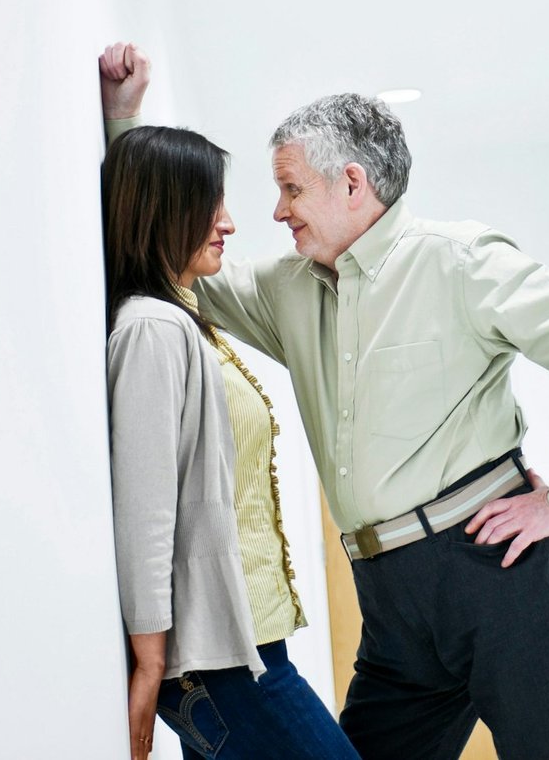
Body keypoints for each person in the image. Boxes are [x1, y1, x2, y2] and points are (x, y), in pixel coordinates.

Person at [100, 43, 549, 760]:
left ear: (351, 183)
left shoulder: (457, 262)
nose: (276, 211)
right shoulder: (286, 289)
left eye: (291, 189)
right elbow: (167, 254)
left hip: (508, 575)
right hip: (393, 604)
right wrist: (123, 125)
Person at [103, 124, 360, 760]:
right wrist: (149, 657)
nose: (229, 223)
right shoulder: (152, 330)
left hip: (244, 646)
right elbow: (146, 504)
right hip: (221, 664)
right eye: (210, 204)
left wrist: (123, 118)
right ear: (166, 211)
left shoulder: (182, 315)